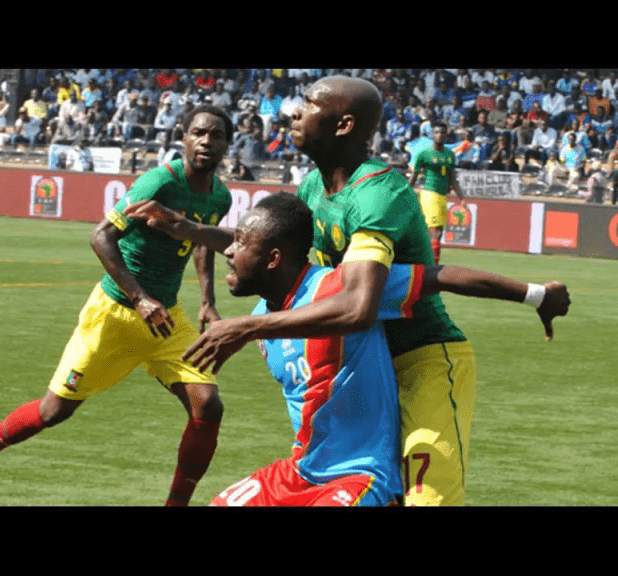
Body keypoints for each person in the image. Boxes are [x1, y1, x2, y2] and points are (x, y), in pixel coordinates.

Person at [128, 76, 533, 508]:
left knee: (427, 500)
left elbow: (362, 305)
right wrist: (188, 229)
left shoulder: (377, 192)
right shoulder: (311, 189)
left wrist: (248, 327)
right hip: (362, 361)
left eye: (307, 103)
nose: (294, 112)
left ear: (343, 125)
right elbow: (268, 248)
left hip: (420, 355)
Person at [0, 104, 236, 507]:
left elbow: (201, 243)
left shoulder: (219, 194)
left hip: (166, 319)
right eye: (199, 133)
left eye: (216, 135)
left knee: (209, 406)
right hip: (114, 312)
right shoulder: (158, 183)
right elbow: (100, 237)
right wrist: (139, 297)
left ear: (226, 145)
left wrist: (207, 300)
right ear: (183, 137)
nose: (206, 141)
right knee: (53, 411)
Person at [408, 121, 466, 265]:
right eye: (437, 132)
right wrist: (405, 193)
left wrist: (462, 198)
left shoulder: (450, 155)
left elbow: (453, 179)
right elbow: (414, 177)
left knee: (437, 234)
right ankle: (432, 267)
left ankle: (425, 263)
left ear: (446, 136)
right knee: (435, 233)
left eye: (443, 133)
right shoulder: (424, 154)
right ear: (432, 135)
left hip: (442, 197)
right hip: (429, 194)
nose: (440, 135)